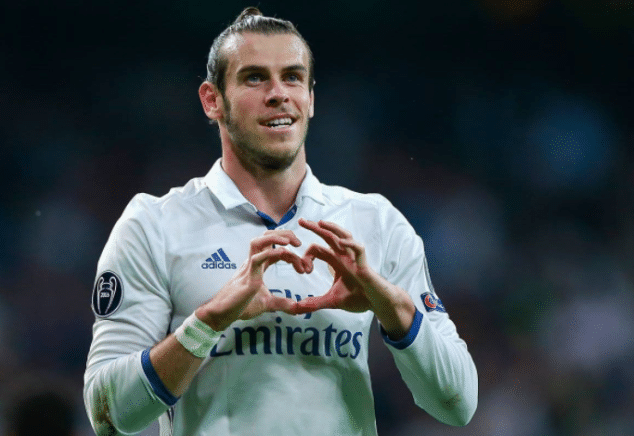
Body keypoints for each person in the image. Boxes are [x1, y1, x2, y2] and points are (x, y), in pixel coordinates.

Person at [83, 7, 478, 436]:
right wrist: (210, 321)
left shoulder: (376, 223)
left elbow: (459, 404)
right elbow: (108, 415)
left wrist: (393, 308)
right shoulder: (155, 225)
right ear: (212, 100)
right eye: (254, 78)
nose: (278, 94)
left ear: (311, 98)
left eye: (292, 77)